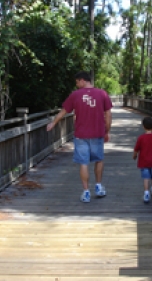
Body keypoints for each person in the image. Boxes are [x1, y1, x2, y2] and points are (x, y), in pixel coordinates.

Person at [46, 71, 113, 203]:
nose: (76, 85)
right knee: (99, 159)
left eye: (77, 82)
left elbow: (63, 111)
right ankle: (98, 187)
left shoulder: (75, 95)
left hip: (81, 135)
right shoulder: (102, 93)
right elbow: (108, 115)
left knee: (83, 163)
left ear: (82, 80)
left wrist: (53, 123)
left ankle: (86, 192)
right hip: (97, 133)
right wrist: (107, 131)